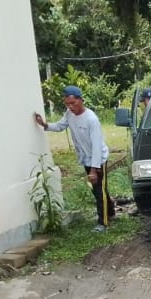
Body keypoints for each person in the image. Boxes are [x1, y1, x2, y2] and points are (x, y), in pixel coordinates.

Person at [33, 85, 113, 232]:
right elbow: (60, 126)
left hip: (98, 159)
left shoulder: (91, 119)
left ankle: (103, 223)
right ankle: (111, 212)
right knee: (100, 189)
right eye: (67, 104)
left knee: (98, 191)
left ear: (81, 100)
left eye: (73, 103)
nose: (70, 107)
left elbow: (96, 146)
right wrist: (45, 125)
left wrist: (94, 170)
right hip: (86, 159)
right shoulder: (69, 114)